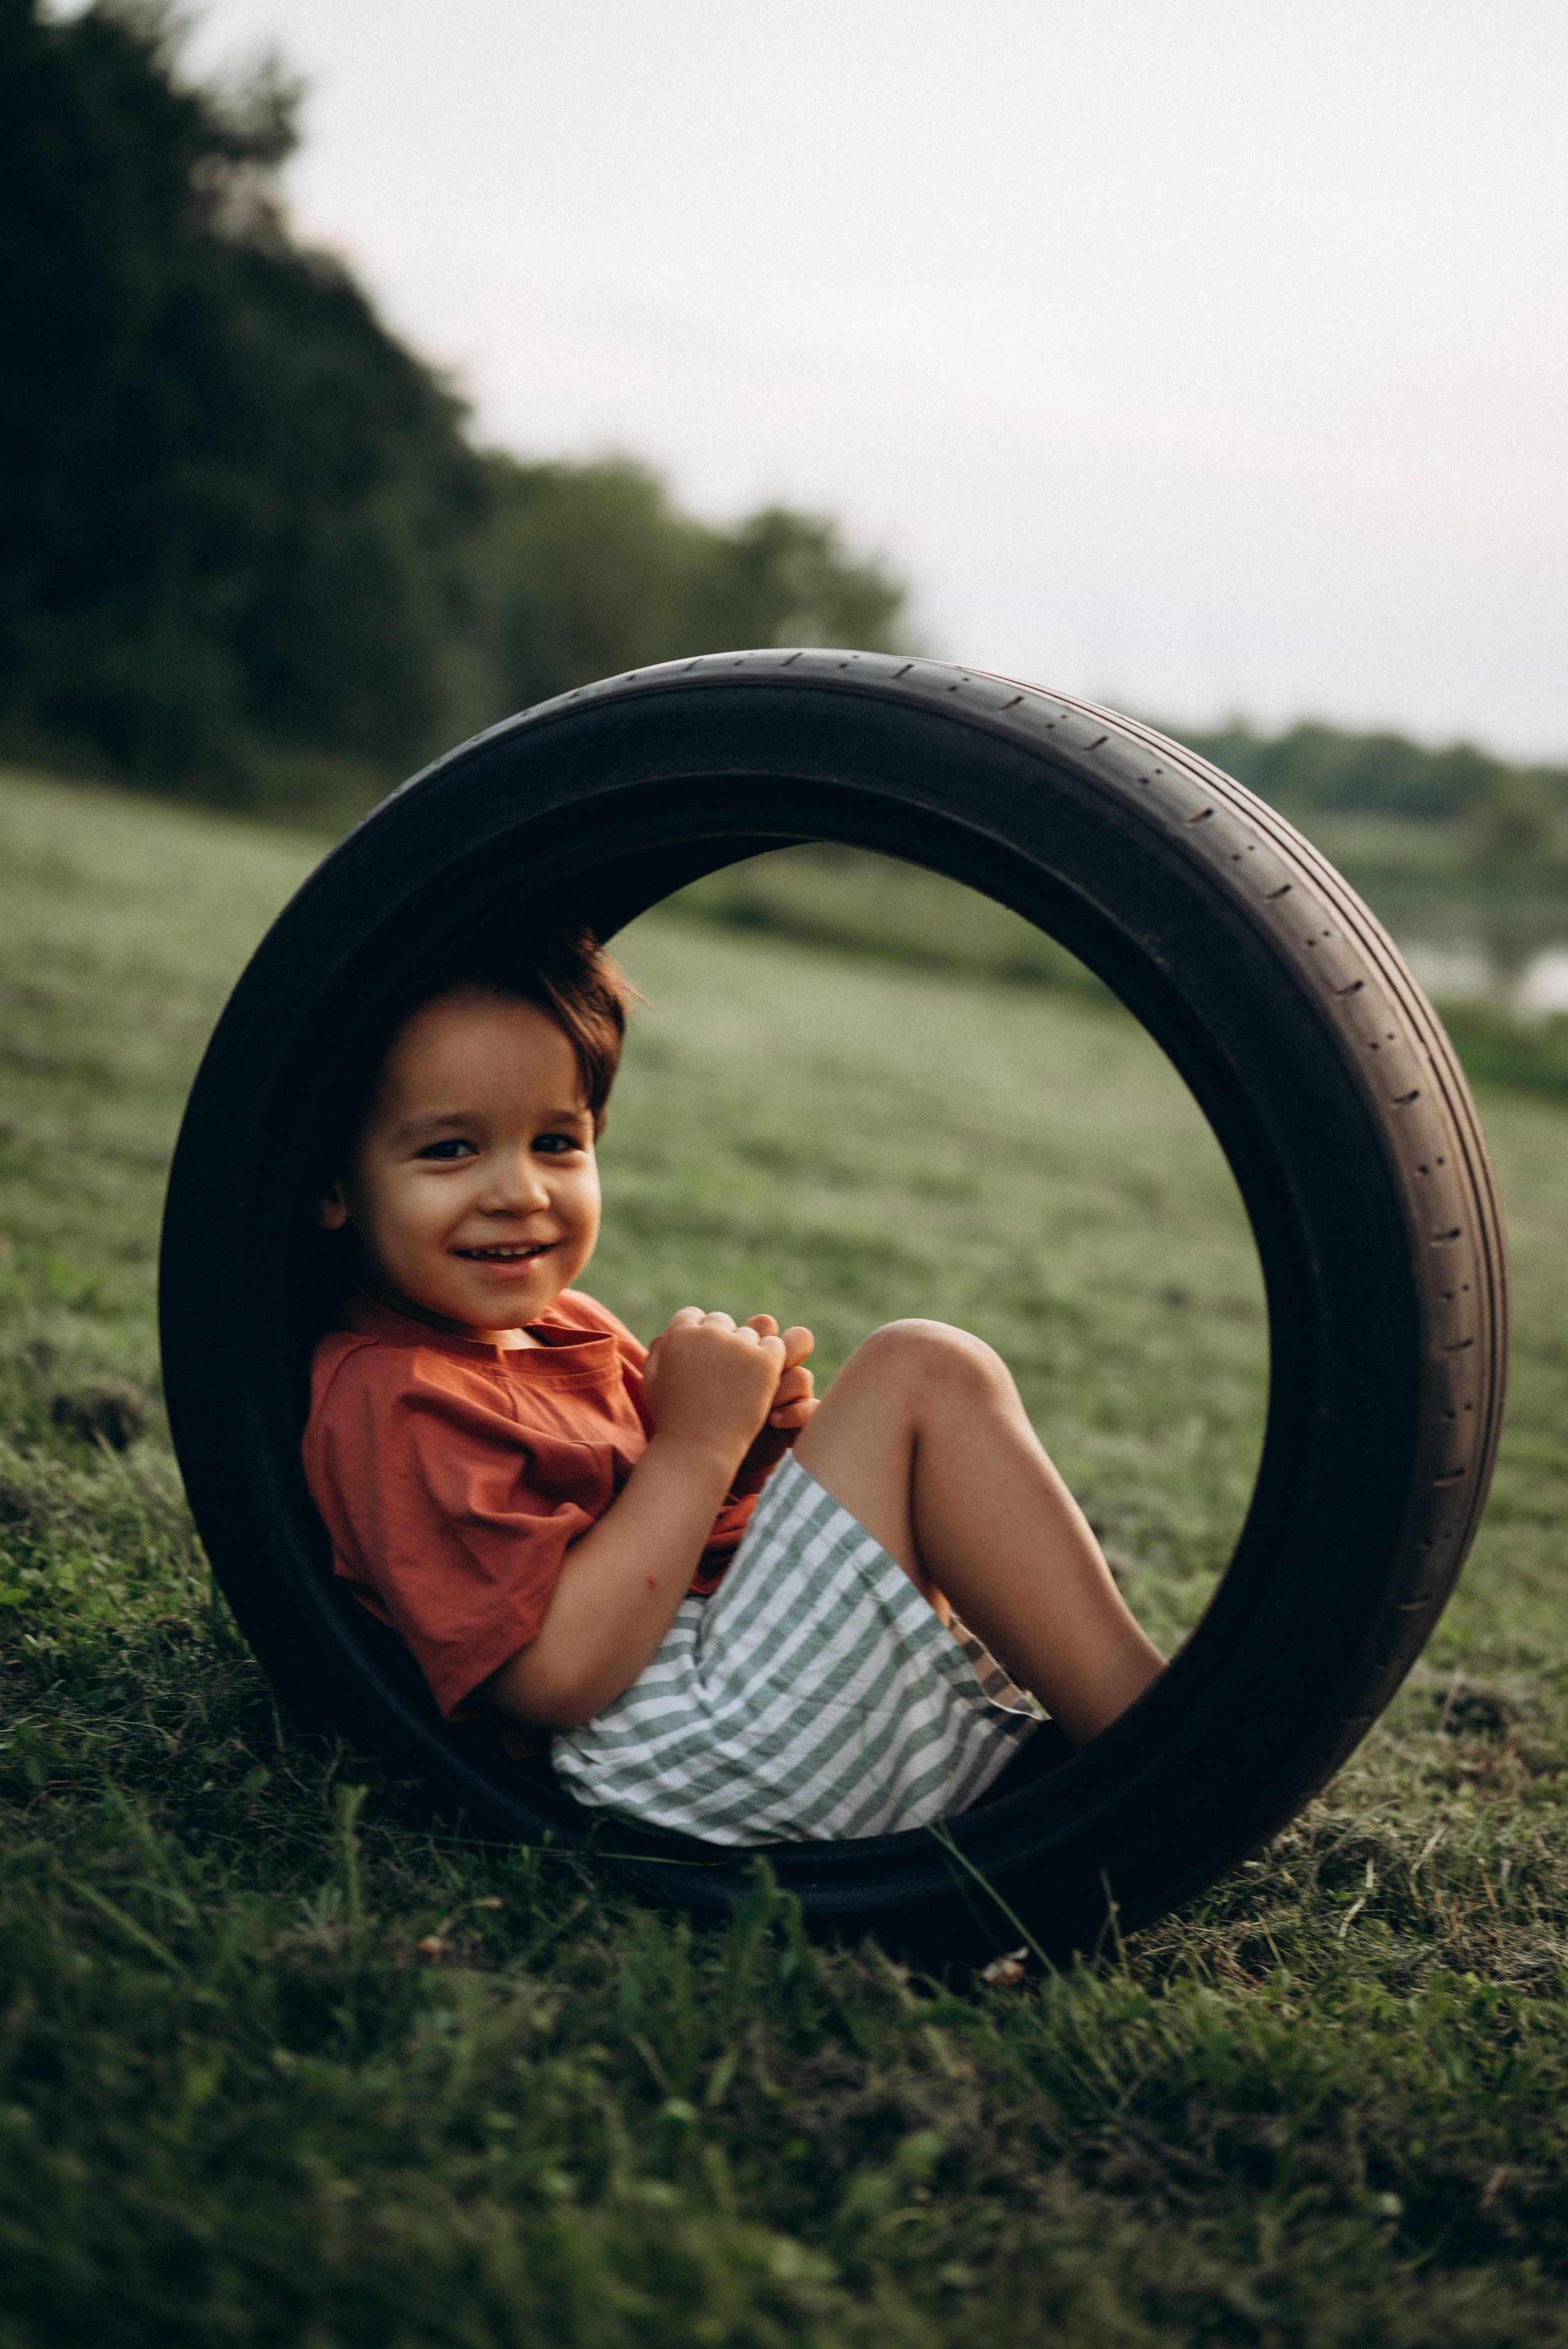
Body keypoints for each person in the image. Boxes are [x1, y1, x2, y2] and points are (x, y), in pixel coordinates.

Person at [303, 930, 1164, 1844]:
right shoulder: (394, 1397)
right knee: (920, 1369)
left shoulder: (570, 1325)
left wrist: (740, 1466)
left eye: (556, 1141)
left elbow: (654, 1538)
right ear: (334, 1184)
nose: (519, 1191)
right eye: (449, 1150)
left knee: (914, 1405)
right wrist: (695, 1448)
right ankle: (1163, 1752)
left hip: (720, 1694)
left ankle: (1110, 1743)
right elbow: (553, 1678)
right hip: (661, 1756)